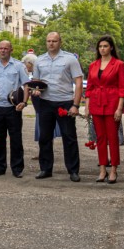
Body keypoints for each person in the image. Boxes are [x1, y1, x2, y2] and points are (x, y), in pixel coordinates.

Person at [30, 32, 83, 182]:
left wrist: (75, 105)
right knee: (45, 137)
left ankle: (73, 170)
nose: (51, 43)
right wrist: (35, 90)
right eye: (48, 41)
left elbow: (78, 83)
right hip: (45, 103)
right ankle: (45, 169)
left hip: (65, 102)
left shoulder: (70, 59)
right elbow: (36, 82)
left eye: (54, 41)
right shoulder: (39, 60)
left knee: (69, 137)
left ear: (60, 42)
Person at [0, 41, 30, 177]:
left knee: (16, 139)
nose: (3, 51)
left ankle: (17, 168)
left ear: (11, 50)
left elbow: (26, 85)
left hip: (13, 108)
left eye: (6, 48)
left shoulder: (18, 66)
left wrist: (24, 102)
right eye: (1, 48)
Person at [85, 35, 124, 183]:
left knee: (113, 138)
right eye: (100, 46)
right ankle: (102, 169)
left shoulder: (119, 64)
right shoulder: (93, 65)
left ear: (111, 48)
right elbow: (89, 88)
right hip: (96, 103)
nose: (102, 49)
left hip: (112, 103)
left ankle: (114, 169)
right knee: (100, 138)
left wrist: (119, 108)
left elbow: (122, 88)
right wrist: (87, 107)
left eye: (105, 46)